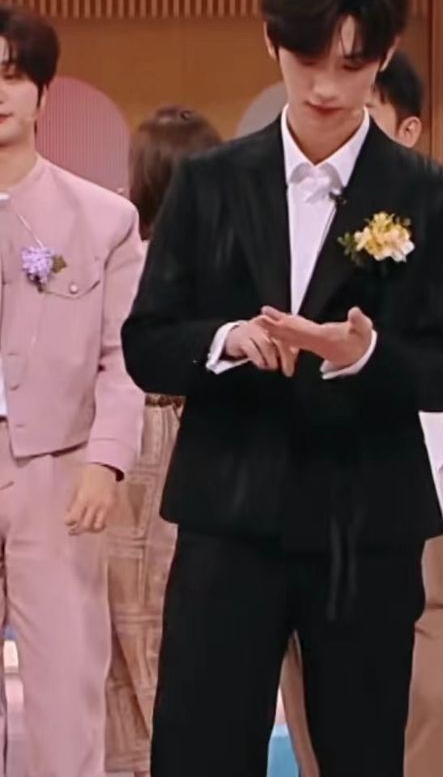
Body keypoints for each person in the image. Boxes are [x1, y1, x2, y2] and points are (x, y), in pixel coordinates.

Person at [122, 0, 443, 777]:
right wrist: (224, 340)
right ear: (271, 42)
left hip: (367, 528)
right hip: (228, 519)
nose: (324, 88)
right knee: (201, 749)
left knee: (361, 753)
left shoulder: (431, 197)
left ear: (385, 56)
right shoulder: (209, 184)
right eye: (307, 60)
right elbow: (146, 342)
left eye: (351, 66)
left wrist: (364, 353)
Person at [280, 51, 443, 777]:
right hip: (313, 491)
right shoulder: (291, 217)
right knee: (317, 694)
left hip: (430, 504)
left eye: (366, 116)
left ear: (409, 131)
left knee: (423, 697)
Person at [0, 3, 144, 777]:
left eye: (11, 75)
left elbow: (124, 358)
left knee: (65, 692)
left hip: (58, 473)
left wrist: (106, 461)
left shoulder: (104, 219)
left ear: (41, 93)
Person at [105, 105, 221, 777]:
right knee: (159, 616)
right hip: (176, 435)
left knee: (132, 619)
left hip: (135, 440)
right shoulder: (215, 261)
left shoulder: (128, 257)